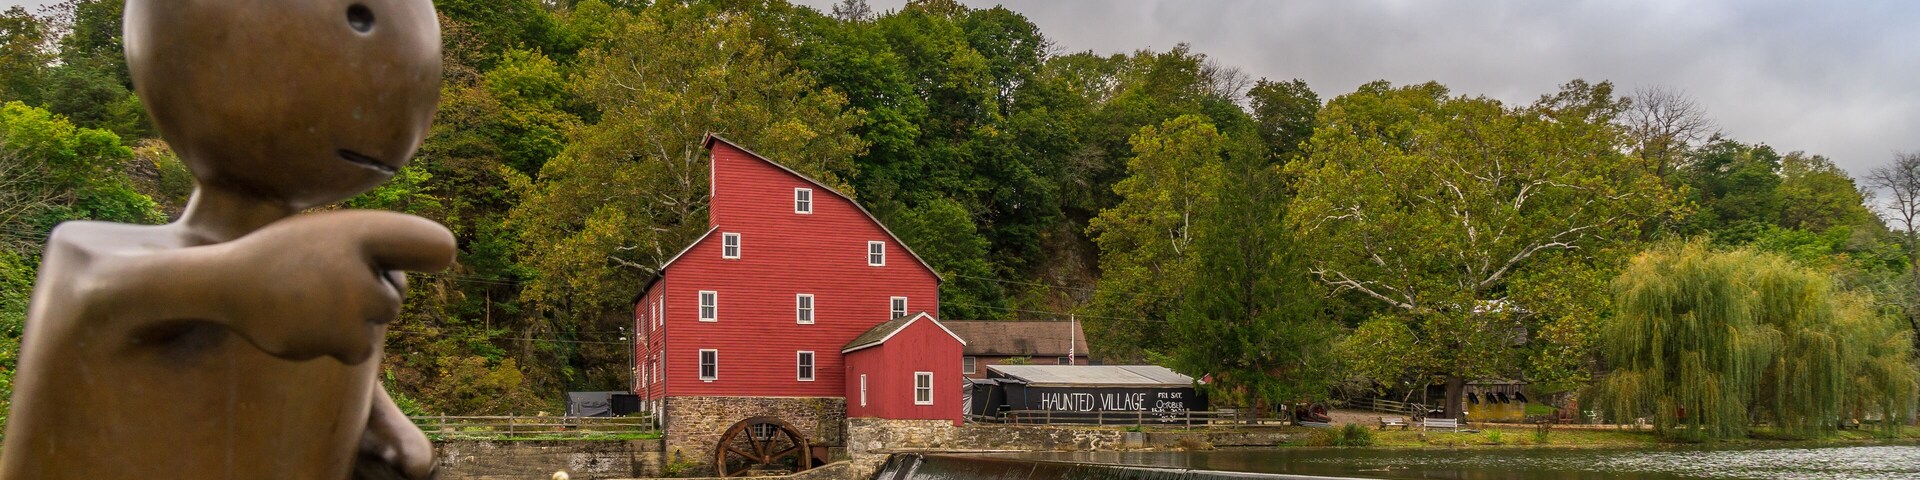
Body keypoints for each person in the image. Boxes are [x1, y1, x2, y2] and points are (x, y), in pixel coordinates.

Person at [1, 1, 450, 478]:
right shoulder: (94, 251)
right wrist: (238, 279)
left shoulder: (328, 280)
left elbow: (339, 387)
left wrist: (388, 433)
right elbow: (96, 292)